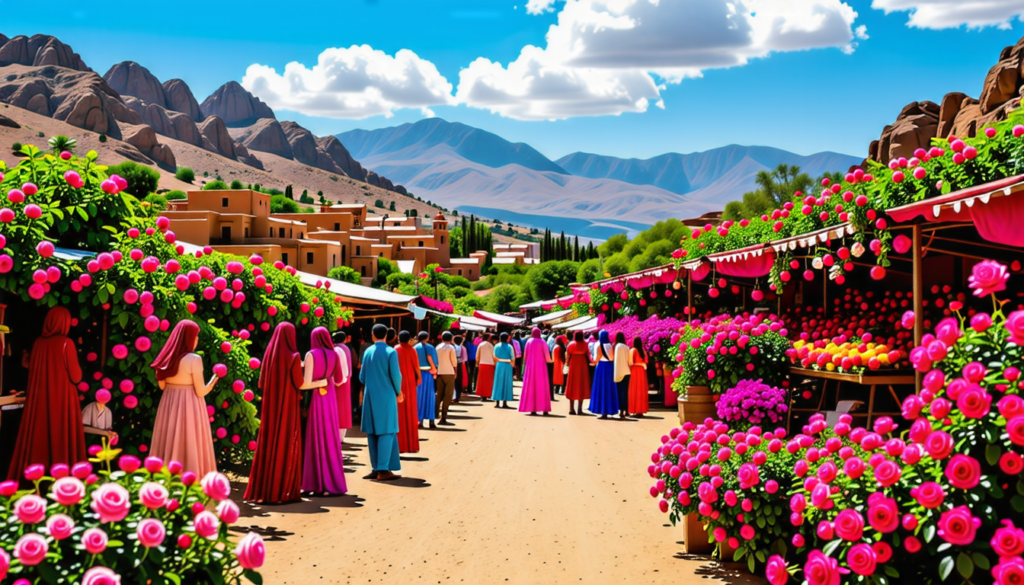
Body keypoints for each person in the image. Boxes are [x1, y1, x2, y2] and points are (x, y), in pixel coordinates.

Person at [6, 308, 85, 482]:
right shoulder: (66, 343)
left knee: (39, 436)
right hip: (63, 400)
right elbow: (76, 377)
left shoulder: (38, 344)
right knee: (61, 437)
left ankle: (37, 481)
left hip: (40, 401)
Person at [149, 320, 218, 478]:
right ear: (189, 338)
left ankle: (165, 481)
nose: (197, 339)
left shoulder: (165, 359)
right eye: (196, 336)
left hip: (169, 403)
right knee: (190, 442)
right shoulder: (194, 359)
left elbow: (161, 386)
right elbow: (200, 391)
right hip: (190, 405)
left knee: (168, 439)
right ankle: (191, 481)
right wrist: (212, 382)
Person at [245, 322, 305, 504]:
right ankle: (283, 492)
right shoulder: (293, 356)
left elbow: (261, 383)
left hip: (270, 408)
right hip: (287, 406)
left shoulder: (269, 354)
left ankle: (264, 491)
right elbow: (299, 382)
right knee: (287, 442)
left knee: (268, 444)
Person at [301, 327, 348, 495]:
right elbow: (340, 380)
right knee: (329, 439)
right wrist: (326, 380)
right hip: (330, 400)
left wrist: (319, 382)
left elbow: (304, 384)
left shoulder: (310, 354)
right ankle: (331, 482)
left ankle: (315, 483)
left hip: (316, 399)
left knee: (315, 439)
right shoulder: (334, 354)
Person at [359, 323, 403, 481]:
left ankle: (376, 467)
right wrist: (398, 392)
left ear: (372, 335)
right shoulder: (391, 352)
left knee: (372, 432)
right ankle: (383, 470)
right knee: (387, 430)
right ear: (387, 335)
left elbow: (362, 377)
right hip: (386, 396)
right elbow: (396, 376)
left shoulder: (367, 351)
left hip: (370, 396)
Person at [395, 331, 421, 453]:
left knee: (399, 412)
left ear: (398, 338)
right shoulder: (412, 350)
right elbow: (416, 366)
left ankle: (400, 445)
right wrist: (419, 377)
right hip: (410, 381)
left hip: (399, 381)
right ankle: (412, 445)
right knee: (411, 410)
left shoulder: (395, 349)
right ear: (409, 339)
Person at [519, 328, 552, 416]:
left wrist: (525, 366)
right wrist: (553, 361)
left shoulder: (529, 341)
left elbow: (525, 356)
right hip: (541, 367)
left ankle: (532, 409)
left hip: (530, 367)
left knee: (531, 386)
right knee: (542, 386)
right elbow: (547, 358)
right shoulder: (543, 342)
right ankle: (545, 409)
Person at [589, 331, 619, 420]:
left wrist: (593, 363)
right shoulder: (610, 345)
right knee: (609, 389)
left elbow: (597, 359)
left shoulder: (599, 346)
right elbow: (612, 358)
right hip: (610, 367)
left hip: (601, 367)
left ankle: (602, 411)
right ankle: (609, 409)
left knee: (601, 388)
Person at [333, 331, 355, 444]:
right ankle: (342, 436)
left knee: (337, 407)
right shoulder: (346, 348)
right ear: (345, 339)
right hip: (346, 380)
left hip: (337, 381)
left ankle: (336, 435)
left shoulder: (335, 349)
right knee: (344, 408)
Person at [564, 331, 591, 416]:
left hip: (573, 364)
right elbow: (588, 354)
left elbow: (567, 356)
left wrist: (566, 365)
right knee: (581, 385)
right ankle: (579, 409)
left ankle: (571, 409)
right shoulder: (585, 344)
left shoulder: (571, 344)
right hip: (582, 365)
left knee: (572, 384)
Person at [414, 332, 438, 429]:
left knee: (419, 398)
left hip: (418, 375)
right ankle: (431, 421)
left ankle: (419, 421)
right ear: (427, 338)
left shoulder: (415, 348)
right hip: (429, 375)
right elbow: (435, 363)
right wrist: (435, 372)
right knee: (430, 397)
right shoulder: (431, 348)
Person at [435, 332, 458, 425]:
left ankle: (435, 414)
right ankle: (443, 417)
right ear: (451, 338)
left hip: (439, 372)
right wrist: (455, 370)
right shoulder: (451, 348)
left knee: (439, 394)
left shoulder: (437, 347)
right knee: (448, 395)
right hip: (449, 372)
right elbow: (454, 362)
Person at [491, 332, 515, 408]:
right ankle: (505, 402)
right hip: (508, 365)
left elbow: (494, 357)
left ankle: (497, 402)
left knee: (498, 382)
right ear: (507, 338)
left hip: (499, 365)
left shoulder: (496, 346)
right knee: (506, 383)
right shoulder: (510, 347)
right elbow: (513, 357)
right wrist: (513, 365)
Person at [628, 337, 650, 417]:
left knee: (634, 389)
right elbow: (646, 361)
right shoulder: (643, 351)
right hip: (642, 371)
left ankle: (635, 410)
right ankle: (640, 410)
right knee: (641, 390)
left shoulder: (633, 350)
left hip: (634, 371)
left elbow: (630, 362)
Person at [613, 332, 631, 420]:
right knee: (626, 392)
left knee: (620, 393)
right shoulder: (626, 347)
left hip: (619, 373)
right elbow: (629, 361)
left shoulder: (617, 347)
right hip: (627, 372)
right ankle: (626, 411)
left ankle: (621, 412)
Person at [475, 333, 495, 401]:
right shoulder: (491, 345)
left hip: (482, 363)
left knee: (481, 380)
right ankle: (488, 394)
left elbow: (477, 355)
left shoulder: (480, 345)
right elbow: (493, 355)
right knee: (489, 380)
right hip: (490, 364)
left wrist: (477, 363)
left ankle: (482, 394)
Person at [454, 335, 467, 404]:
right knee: (459, 381)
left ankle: (453, 396)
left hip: (452, 365)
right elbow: (465, 358)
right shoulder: (463, 348)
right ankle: (458, 396)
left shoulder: (452, 347)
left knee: (453, 381)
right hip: (460, 365)